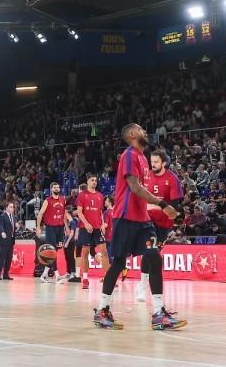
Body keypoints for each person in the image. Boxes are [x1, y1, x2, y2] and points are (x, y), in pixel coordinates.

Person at [93, 124, 185, 331]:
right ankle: (102, 309)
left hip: (143, 220)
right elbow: (134, 188)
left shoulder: (143, 158)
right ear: (133, 135)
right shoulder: (129, 155)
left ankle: (159, 313)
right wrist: (162, 204)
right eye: (142, 130)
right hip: (125, 217)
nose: (146, 132)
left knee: (154, 256)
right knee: (118, 264)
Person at [136, 149, 182, 303]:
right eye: (152, 161)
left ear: (164, 163)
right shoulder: (146, 176)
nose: (153, 164)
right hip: (148, 220)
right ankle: (143, 285)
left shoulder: (172, 179)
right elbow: (139, 198)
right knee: (149, 250)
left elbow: (173, 207)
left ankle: (143, 285)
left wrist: (156, 206)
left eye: (156, 162)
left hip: (164, 223)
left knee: (154, 253)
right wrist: (155, 207)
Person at [74, 175, 108, 290]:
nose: (94, 182)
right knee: (85, 253)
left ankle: (108, 278)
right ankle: (85, 279)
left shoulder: (100, 196)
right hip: (86, 228)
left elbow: (100, 212)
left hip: (98, 228)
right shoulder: (82, 195)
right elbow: (79, 212)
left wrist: (102, 224)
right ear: (87, 182)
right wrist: (86, 224)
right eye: (92, 180)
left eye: (95, 181)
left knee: (104, 252)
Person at [37, 182, 69, 283]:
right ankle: (57, 275)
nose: (57, 188)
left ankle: (44, 275)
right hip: (50, 228)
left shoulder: (63, 199)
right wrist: (38, 228)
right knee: (52, 251)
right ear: (51, 189)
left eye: (58, 187)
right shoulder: (47, 201)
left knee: (55, 252)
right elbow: (40, 214)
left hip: (60, 228)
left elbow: (64, 214)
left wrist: (67, 227)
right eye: (55, 187)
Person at [0, 202, 17, 280]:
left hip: (11, 240)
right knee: (1, 258)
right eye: (10, 207)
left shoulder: (14, 217)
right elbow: (0, 225)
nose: (12, 208)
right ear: (6, 207)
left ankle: (6, 274)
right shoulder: (2, 216)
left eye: (13, 207)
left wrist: (16, 226)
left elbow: (12, 227)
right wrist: (2, 232)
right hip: (4, 240)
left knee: (9, 258)